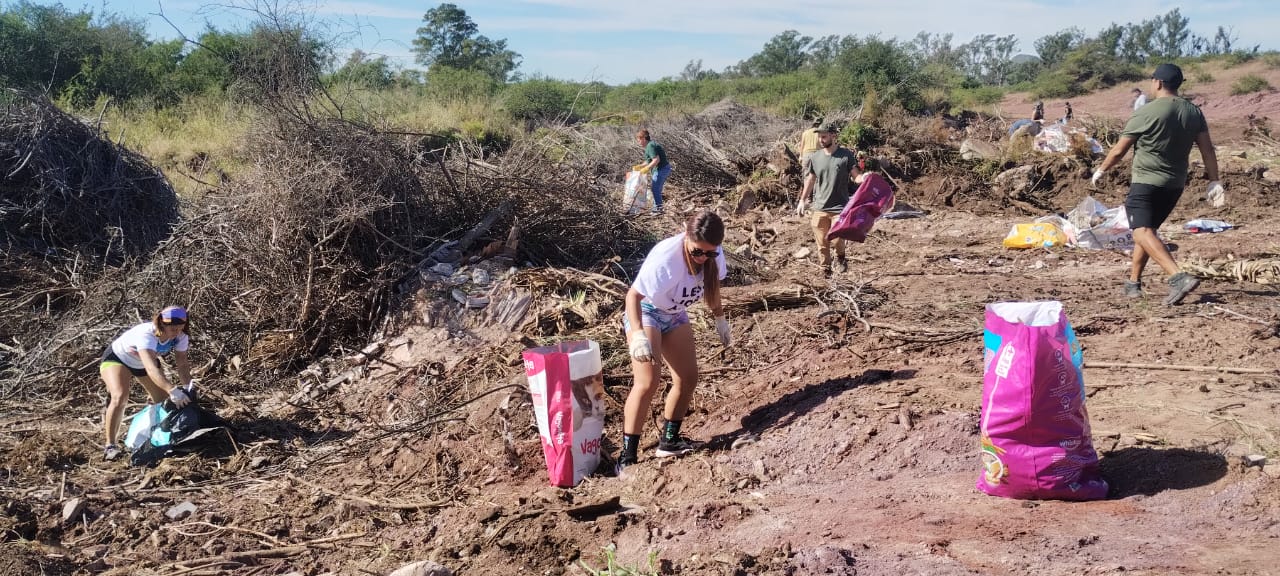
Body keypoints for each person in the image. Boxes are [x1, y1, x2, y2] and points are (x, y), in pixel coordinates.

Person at [1091, 63, 1223, 305]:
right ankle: (1133, 282)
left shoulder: (1147, 112)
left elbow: (1120, 149)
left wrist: (1101, 169)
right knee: (1148, 230)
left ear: (1158, 83)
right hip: (1175, 184)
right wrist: (1214, 180)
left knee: (1141, 230)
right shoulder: (1194, 112)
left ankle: (1178, 277)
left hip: (1146, 182)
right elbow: (1207, 150)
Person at [616, 211, 730, 475]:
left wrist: (720, 319)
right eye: (697, 252)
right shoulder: (666, 259)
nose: (703, 258)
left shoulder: (714, 255)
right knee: (647, 382)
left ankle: (669, 440)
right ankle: (626, 457)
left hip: (675, 313)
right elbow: (632, 296)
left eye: (710, 253)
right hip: (646, 312)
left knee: (688, 378)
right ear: (686, 236)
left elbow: (711, 288)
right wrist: (638, 335)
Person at [99, 306, 195, 461]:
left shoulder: (181, 336)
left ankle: (156, 436)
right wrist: (172, 389)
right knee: (120, 396)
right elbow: (151, 368)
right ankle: (110, 446)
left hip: (142, 364)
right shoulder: (147, 333)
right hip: (118, 358)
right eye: (172, 327)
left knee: (164, 402)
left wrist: (187, 387)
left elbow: (182, 364)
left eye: (180, 326)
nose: (176, 330)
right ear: (162, 324)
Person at [795, 122, 862, 275]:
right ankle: (825, 270)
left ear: (833, 135)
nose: (821, 140)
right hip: (819, 207)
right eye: (819, 137)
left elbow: (856, 176)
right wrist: (802, 200)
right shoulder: (816, 157)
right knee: (822, 243)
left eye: (824, 137)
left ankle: (841, 258)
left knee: (838, 239)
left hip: (840, 207)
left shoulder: (845, 155)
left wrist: (864, 179)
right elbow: (810, 180)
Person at [635, 130, 672, 213]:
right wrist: (640, 166)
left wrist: (646, 169)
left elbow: (656, 160)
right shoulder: (650, 145)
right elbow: (649, 160)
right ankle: (657, 208)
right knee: (656, 189)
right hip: (664, 169)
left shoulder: (651, 146)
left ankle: (658, 210)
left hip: (662, 169)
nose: (639, 143)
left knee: (655, 189)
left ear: (644, 138)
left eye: (639, 140)